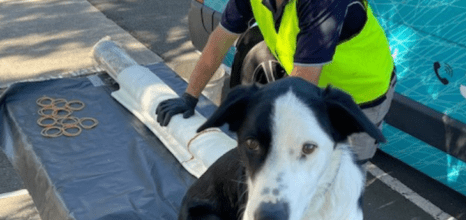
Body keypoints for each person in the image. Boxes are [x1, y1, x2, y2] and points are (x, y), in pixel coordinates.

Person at [155, 0, 396, 164]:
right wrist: (190, 96)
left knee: (342, 176)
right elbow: (220, 40)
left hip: (360, 94)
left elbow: (300, 88)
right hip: (316, 84)